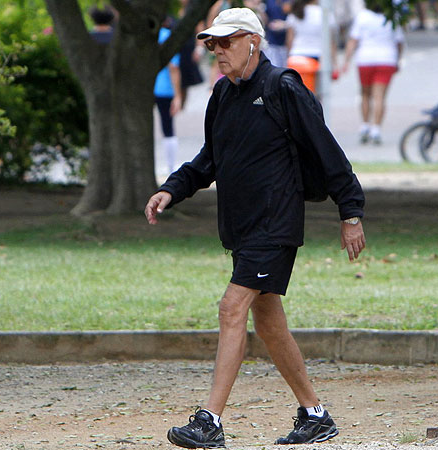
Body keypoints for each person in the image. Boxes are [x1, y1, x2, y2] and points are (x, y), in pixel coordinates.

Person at [144, 7, 366, 449]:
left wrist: (351, 212)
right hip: (242, 229)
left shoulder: (283, 87)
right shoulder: (223, 96)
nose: (217, 52)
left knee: (232, 308)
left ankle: (210, 422)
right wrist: (172, 189)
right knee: (268, 323)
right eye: (211, 44)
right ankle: (315, 415)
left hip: (276, 225)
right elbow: (209, 160)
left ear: (253, 42)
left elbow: (328, 152)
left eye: (225, 42)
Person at [341, 0, 405, 145]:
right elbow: (399, 41)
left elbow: (353, 40)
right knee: (380, 96)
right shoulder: (392, 16)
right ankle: (376, 128)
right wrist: (398, 59)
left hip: (365, 58)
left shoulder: (362, 16)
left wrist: (346, 60)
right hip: (386, 59)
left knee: (365, 93)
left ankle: (365, 125)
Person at [285, 0, 338, 94]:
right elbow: (330, 42)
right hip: (317, 56)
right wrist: (334, 63)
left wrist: (288, 57)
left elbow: (289, 40)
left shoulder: (295, 13)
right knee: (316, 95)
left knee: (297, 94)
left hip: (296, 56)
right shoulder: (325, 14)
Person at [155, 21, 183, 173]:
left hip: (146, 88)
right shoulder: (166, 36)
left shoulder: (138, 36)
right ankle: (171, 166)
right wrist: (178, 95)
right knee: (168, 127)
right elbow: (174, 67)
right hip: (164, 88)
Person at [263, 0, 292, 68]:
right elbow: (266, 19)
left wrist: (284, 24)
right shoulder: (269, 2)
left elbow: (295, 19)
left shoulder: (290, 2)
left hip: (286, 43)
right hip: (272, 41)